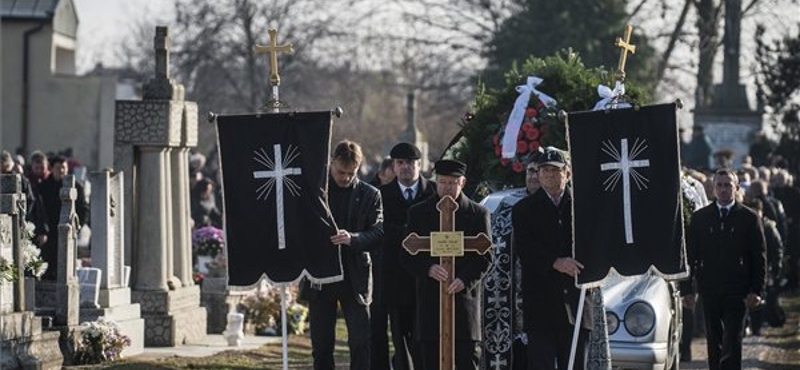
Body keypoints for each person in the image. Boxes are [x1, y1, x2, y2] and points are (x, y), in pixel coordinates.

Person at [400, 159, 492, 370]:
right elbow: (406, 255)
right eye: (442, 182)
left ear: (462, 183)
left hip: (464, 305)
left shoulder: (478, 214)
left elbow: (486, 256)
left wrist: (464, 279)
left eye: (452, 183)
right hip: (431, 304)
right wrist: (428, 269)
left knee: (467, 362)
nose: (447, 188)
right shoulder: (418, 212)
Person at [301, 140, 383, 370]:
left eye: (351, 173)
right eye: (340, 172)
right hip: (321, 275)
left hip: (354, 275)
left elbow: (378, 232)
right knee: (322, 345)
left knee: (360, 341)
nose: (345, 177)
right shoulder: (316, 191)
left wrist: (353, 238)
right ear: (331, 163)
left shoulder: (370, 194)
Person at [512, 147, 590, 370]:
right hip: (541, 306)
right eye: (543, 170)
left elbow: (595, 243)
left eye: (554, 171)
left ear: (567, 174)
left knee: (575, 365)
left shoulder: (582, 208)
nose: (547, 175)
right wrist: (556, 263)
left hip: (577, 304)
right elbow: (525, 250)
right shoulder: (523, 210)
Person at [682, 169, 766, 370]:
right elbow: (690, 257)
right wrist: (687, 290)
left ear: (736, 188)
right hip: (710, 289)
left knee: (732, 339)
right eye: (719, 185)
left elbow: (759, 257)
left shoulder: (749, 218)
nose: (723, 189)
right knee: (714, 340)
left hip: (737, 290)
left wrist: (757, 290)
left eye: (727, 185)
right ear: (713, 189)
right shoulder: (701, 219)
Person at [372, 143, 434, 370]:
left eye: (410, 162)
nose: (405, 167)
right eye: (400, 163)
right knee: (400, 338)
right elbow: (379, 229)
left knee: (425, 337)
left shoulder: (434, 192)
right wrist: (410, 235)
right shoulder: (381, 195)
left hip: (428, 276)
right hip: (395, 275)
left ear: (420, 165)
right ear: (394, 167)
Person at [38, 155, 88, 280]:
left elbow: (83, 209)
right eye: (58, 168)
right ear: (51, 168)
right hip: (49, 232)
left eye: (64, 168)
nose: (61, 171)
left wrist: (77, 226)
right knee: (48, 266)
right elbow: (39, 209)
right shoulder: (43, 186)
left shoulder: (76, 186)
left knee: (66, 265)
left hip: (68, 230)